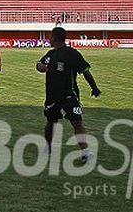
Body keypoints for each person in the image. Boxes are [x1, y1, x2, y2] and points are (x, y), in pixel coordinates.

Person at [36, 27, 101, 164]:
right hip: (52, 95)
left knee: (77, 121)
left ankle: (85, 152)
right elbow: (40, 64)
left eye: (50, 36)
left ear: (54, 37)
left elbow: (85, 71)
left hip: (69, 95)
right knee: (51, 121)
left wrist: (94, 88)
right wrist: (40, 66)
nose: (49, 39)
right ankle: (48, 147)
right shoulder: (51, 54)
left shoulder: (72, 54)